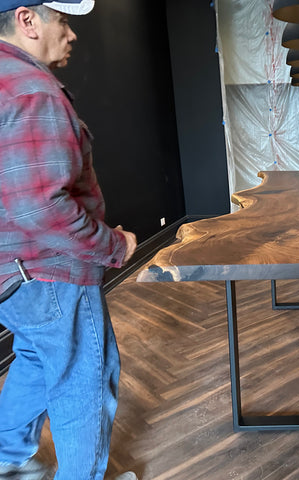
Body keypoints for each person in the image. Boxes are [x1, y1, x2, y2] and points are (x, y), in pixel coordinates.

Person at [0, 1, 138, 478]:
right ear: (28, 20)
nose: (73, 33)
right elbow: (41, 207)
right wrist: (115, 246)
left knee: (36, 359)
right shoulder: (32, 91)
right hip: (48, 270)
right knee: (85, 378)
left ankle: (8, 459)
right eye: (63, 19)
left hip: (10, 273)